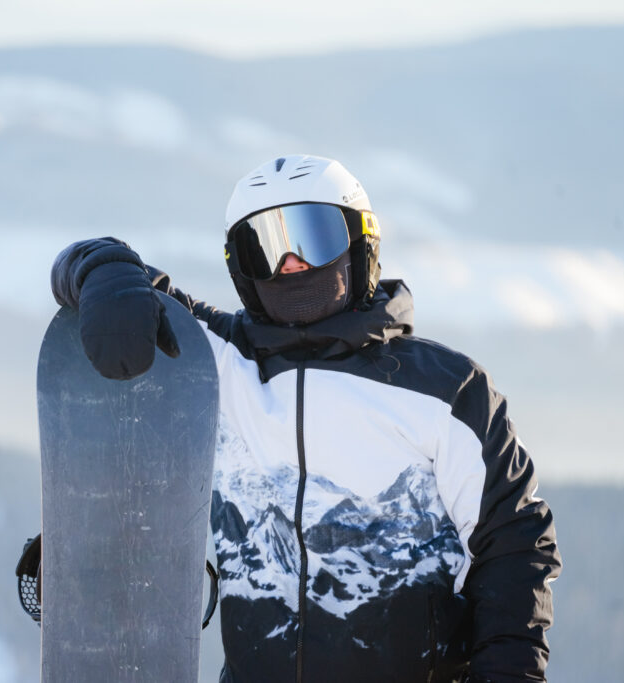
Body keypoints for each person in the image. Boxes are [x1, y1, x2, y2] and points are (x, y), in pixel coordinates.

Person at [50, 154, 561, 683]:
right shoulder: (217, 363)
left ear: (361, 246)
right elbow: (85, 260)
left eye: (313, 238)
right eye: (264, 248)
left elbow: (515, 546)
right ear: (240, 269)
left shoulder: (444, 391)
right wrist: (104, 273)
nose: (290, 263)